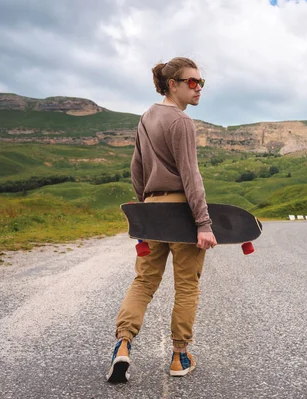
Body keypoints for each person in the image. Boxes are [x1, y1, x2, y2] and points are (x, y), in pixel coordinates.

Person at [107, 57, 217, 383]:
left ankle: (122, 346)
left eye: (202, 82)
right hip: (181, 214)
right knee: (186, 286)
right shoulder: (181, 122)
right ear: (173, 84)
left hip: (152, 211)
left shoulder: (146, 118)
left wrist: (144, 212)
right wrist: (204, 223)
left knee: (143, 282)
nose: (199, 88)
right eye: (192, 82)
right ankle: (180, 356)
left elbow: (136, 170)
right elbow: (191, 176)